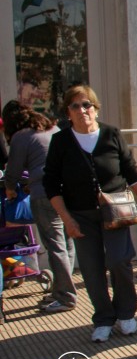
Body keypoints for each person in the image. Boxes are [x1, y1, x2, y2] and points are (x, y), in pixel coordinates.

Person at [43, 85, 137, 343]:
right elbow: (51, 183)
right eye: (75, 106)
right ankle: (103, 318)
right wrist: (67, 219)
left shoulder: (111, 134)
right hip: (80, 215)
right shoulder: (60, 141)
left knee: (118, 260)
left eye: (87, 105)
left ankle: (126, 313)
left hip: (115, 211)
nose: (82, 111)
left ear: (95, 108)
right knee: (91, 270)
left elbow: (131, 171)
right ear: (67, 112)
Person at [3, 101, 77, 314]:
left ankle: (65, 296)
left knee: (55, 245)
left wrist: (10, 189)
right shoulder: (51, 128)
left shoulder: (20, 137)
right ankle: (64, 289)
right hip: (68, 190)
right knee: (67, 242)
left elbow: (13, 171)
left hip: (44, 194)